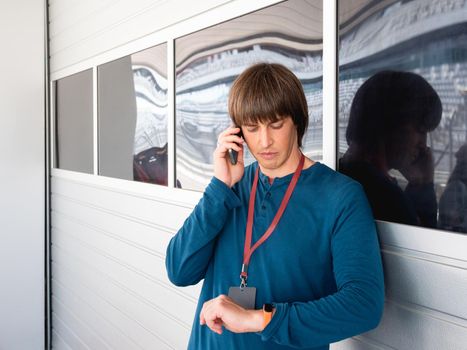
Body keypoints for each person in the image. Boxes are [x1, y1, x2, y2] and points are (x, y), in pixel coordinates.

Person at [166, 63, 384, 350]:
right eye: (252, 128)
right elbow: (179, 270)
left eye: (276, 124)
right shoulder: (231, 188)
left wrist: (258, 319)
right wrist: (220, 186)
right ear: (238, 133)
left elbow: (363, 305)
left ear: (297, 120)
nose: (264, 141)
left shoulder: (341, 197)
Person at [339, 71, 442, 229]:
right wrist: (423, 185)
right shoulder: (384, 197)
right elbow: (428, 246)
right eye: (420, 130)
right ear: (390, 124)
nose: (423, 144)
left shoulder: (339, 176)